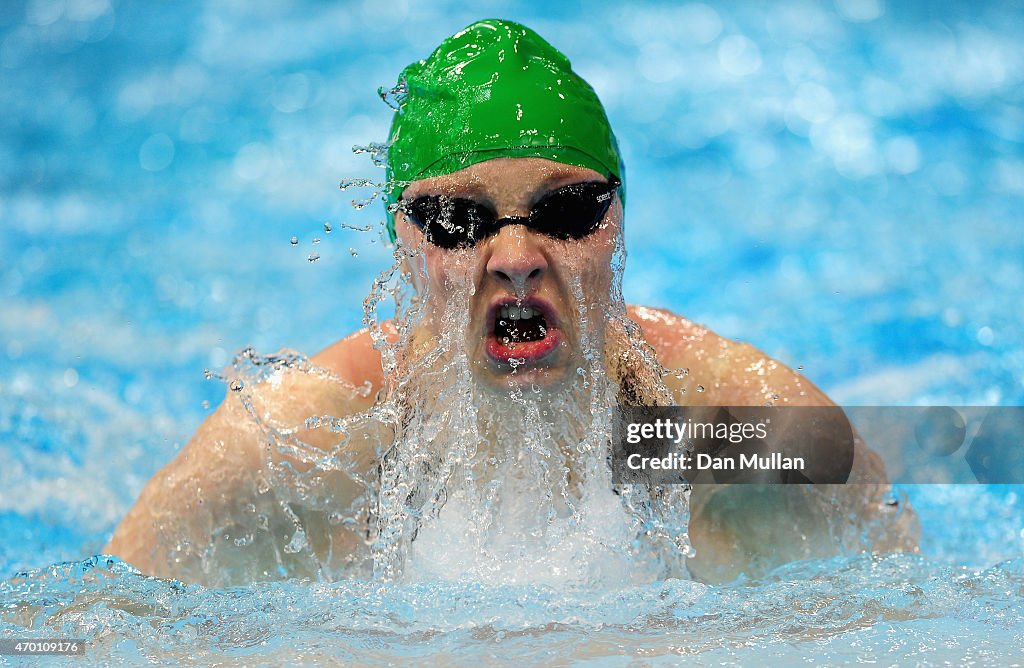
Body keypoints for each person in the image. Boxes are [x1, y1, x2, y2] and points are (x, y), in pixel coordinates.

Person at [106, 19, 917, 586]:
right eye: (459, 222)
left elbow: (899, 588)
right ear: (403, 247)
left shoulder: (715, 430)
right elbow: (91, 626)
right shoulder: (313, 443)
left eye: (567, 213)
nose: (520, 260)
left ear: (620, 221)